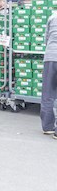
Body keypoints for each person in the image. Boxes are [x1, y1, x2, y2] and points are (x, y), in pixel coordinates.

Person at [41, 10, 57, 138]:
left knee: (48, 93)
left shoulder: (52, 17)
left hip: (50, 57)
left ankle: (48, 126)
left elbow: (46, 39)